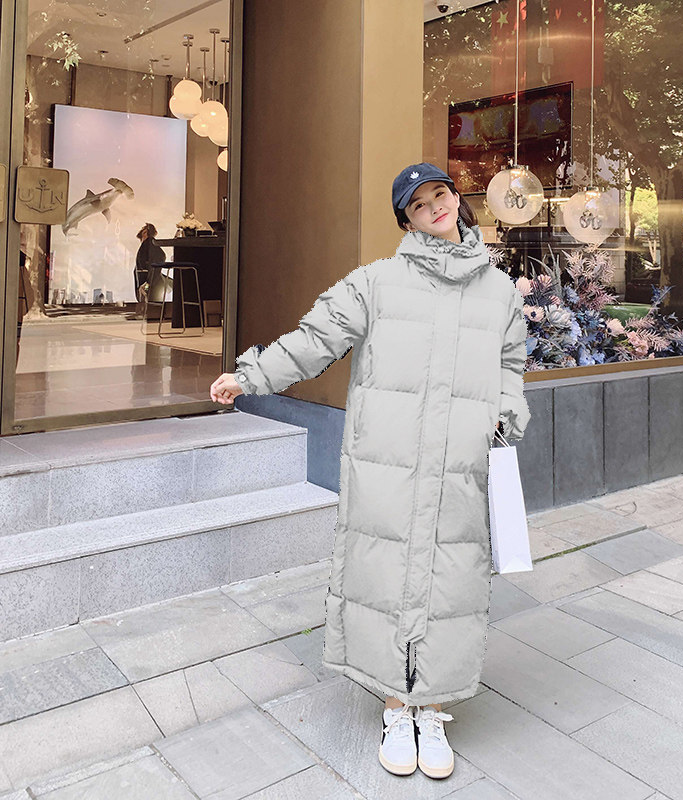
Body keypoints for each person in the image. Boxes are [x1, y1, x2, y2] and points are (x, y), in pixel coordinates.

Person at [210, 163, 530, 780]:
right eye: (419, 204)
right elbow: (314, 339)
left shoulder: (499, 292)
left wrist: (506, 414)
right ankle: (394, 706)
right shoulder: (375, 283)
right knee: (385, 578)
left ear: (455, 199)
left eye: (440, 194)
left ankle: (431, 707)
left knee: (451, 582)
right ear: (407, 221)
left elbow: (510, 364)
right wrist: (250, 375)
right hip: (387, 462)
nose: (435, 207)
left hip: (460, 462)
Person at [129, 223, 166, 320]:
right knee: (145, 294)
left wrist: (147, 282)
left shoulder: (149, 244)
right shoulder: (149, 244)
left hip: (146, 278)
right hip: (147, 278)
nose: (144, 234)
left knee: (145, 294)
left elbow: (159, 257)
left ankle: (147, 313)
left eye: (145, 232)